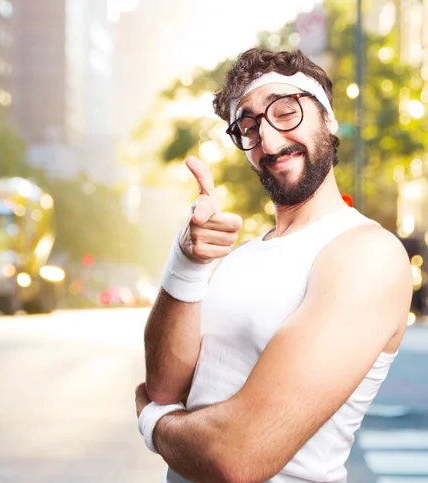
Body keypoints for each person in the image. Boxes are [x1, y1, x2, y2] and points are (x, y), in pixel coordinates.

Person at [136, 48, 413, 483]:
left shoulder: (367, 254)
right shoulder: (239, 258)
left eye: (286, 111)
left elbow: (237, 456)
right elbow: (166, 389)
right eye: (248, 127)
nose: (269, 139)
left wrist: (155, 424)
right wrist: (187, 260)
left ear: (328, 118)